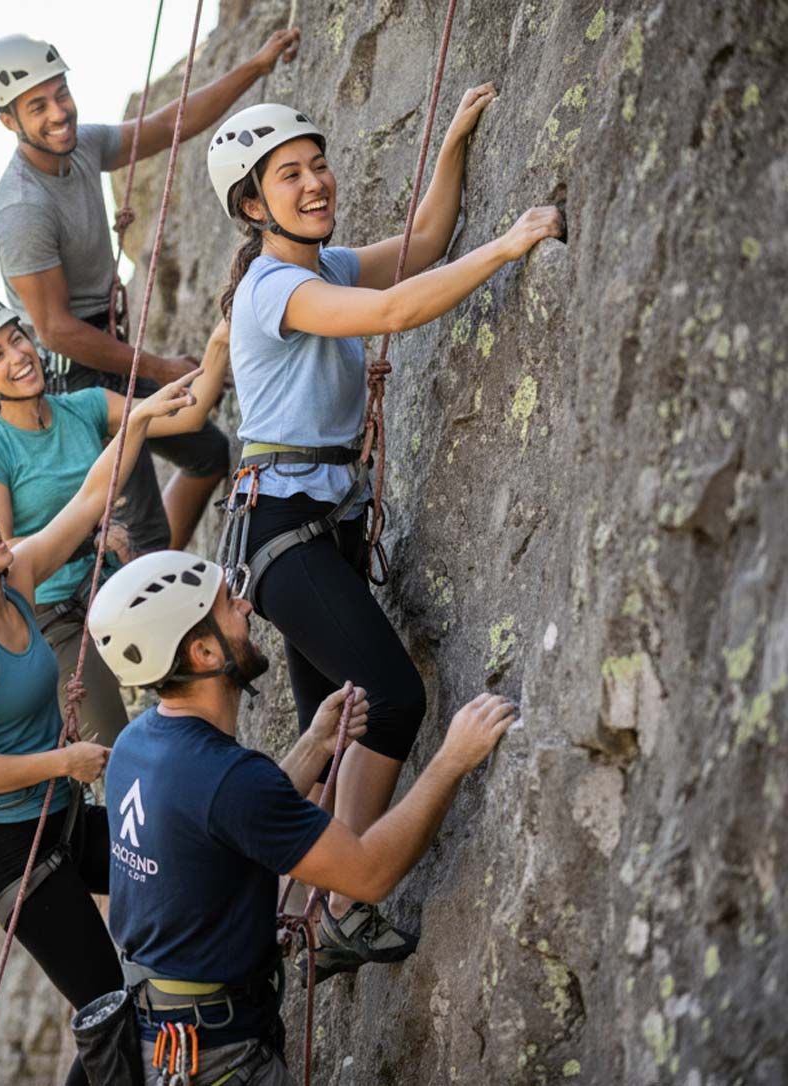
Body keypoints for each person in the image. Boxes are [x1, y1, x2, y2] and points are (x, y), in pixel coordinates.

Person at [203, 94, 563, 970]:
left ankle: (328, 902)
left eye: (316, 164)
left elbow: (421, 250)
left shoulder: (321, 265)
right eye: (289, 174)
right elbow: (397, 310)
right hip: (282, 528)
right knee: (390, 698)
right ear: (253, 206)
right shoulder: (276, 289)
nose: (315, 181)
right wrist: (510, 244)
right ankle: (342, 898)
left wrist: (449, 148)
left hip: (315, 523)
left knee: (348, 719)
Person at [0, 370, 199, 1086]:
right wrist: (65, 761)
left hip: (59, 817)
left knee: (176, 875)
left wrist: (136, 419)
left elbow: (86, 501)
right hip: (14, 851)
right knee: (108, 1008)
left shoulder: (13, 578)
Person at [86, 551, 519, 1083]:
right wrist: (451, 760)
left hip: (163, 1043)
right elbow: (368, 872)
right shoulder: (228, 778)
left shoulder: (137, 746)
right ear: (202, 652)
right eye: (227, 605)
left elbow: (218, 824)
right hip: (221, 1060)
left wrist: (314, 744)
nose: (245, 607)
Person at [0, 29, 302, 553]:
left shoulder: (79, 149)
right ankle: (152, 600)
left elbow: (166, 127)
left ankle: (157, 581)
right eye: (37, 106)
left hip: (106, 351)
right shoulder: (22, 211)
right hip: (74, 380)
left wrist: (256, 66)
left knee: (208, 454)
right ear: (8, 121)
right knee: (140, 529)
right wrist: (154, 366)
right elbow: (56, 331)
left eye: (61, 93)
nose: (59, 112)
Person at [0, 294, 229, 746]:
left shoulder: (84, 406)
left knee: (206, 667)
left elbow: (187, 418)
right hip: (58, 615)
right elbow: (2, 551)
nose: (18, 357)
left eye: (17, 340)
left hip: (113, 586)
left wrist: (219, 344)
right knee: (108, 747)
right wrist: (86, 539)